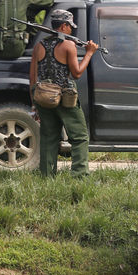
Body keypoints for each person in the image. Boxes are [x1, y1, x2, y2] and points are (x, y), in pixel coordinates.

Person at [29, 9, 98, 177]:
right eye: (70, 26)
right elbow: (77, 73)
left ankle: (47, 176)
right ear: (64, 26)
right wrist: (89, 53)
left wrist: (34, 105)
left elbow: (32, 79)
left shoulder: (39, 46)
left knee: (48, 138)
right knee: (80, 137)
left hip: (44, 97)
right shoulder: (68, 45)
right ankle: (80, 175)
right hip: (65, 98)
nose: (71, 30)